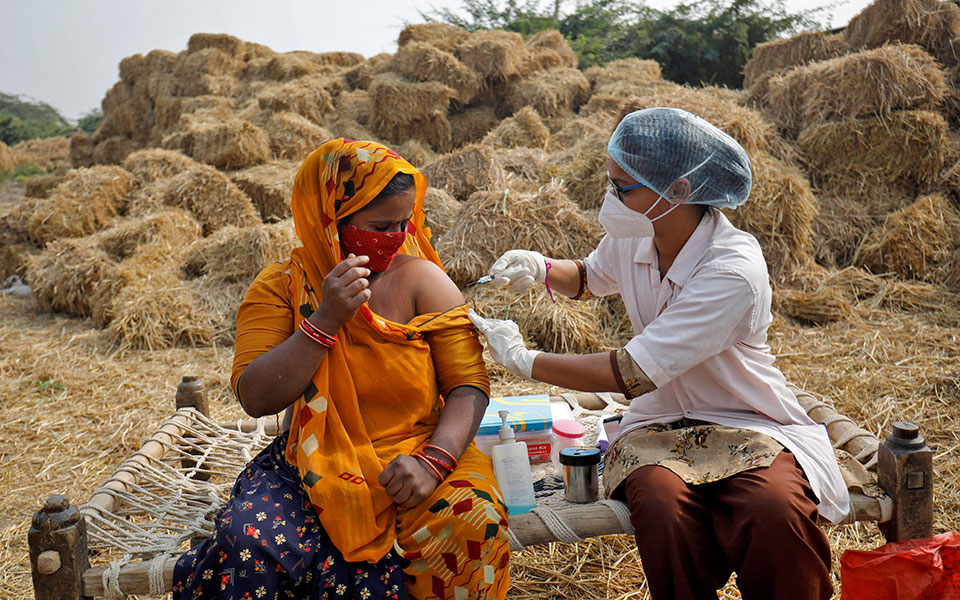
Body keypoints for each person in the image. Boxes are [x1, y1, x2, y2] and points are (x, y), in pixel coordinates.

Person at [468, 107, 848, 600]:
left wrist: (524, 360)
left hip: (746, 418)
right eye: (611, 183)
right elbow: (588, 277)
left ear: (681, 191)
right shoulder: (638, 233)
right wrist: (539, 267)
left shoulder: (731, 271)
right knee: (662, 508)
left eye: (623, 188)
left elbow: (631, 374)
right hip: (658, 422)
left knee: (774, 510)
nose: (612, 198)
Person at [173, 139, 510, 600]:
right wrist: (325, 320)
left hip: (420, 453)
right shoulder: (282, 287)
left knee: (474, 524)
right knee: (247, 541)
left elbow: (468, 385)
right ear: (329, 218)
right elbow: (255, 396)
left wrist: (434, 463)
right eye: (378, 226)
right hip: (313, 462)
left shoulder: (423, 281)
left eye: (402, 223)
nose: (395, 237)